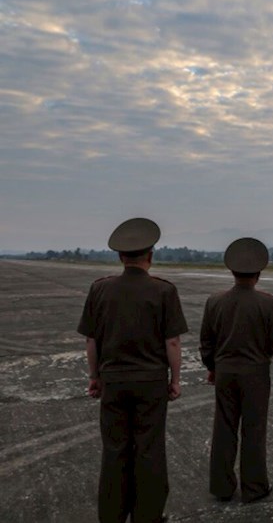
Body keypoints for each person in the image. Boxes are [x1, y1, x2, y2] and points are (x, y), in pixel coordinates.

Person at [77, 217, 188, 523]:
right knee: (149, 451)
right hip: (151, 382)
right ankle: (147, 515)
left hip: (113, 381)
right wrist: (175, 380)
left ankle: (112, 515)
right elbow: (173, 342)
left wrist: (94, 377)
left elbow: (91, 340)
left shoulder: (100, 289)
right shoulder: (164, 291)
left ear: (120, 257)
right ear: (150, 256)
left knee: (114, 451)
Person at [199, 237, 273, 503]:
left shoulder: (214, 301)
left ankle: (221, 486)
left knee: (224, 429)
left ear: (232, 271)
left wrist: (212, 367)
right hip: (255, 373)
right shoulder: (267, 302)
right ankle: (254, 487)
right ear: (259, 274)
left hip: (225, 372)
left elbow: (206, 341)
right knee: (254, 430)